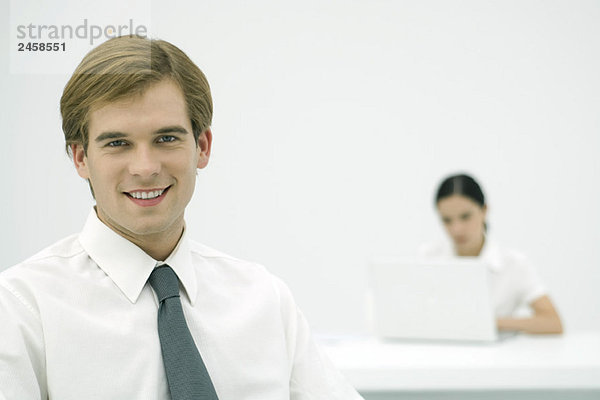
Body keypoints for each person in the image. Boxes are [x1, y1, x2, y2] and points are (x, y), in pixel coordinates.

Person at [0, 35, 363, 400]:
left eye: (166, 138)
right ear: (80, 158)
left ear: (202, 147)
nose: (145, 168)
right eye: (117, 143)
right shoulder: (21, 307)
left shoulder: (265, 299)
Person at [419, 173, 563, 335]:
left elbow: (553, 322)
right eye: (447, 220)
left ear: (484, 210)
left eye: (465, 217)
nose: (456, 229)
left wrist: (489, 323)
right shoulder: (429, 258)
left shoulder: (513, 264)